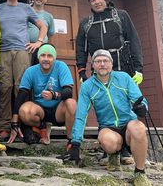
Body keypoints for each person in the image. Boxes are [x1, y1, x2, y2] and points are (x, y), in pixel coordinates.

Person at [75, 0, 143, 164]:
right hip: (100, 67)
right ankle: (109, 148)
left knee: (126, 103)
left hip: (123, 66)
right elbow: (81, 48)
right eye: (93, 0)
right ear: (90, 3)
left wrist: (139, 68)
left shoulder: (121, 15)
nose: (97, 2)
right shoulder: (86, 23)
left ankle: (127, 149)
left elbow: (134, 39)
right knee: (103, 104)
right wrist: (82, 70)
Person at [64, 49, 151, 186]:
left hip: (128, 124)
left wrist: (142, 107)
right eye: (98, 61)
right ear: (93, 65)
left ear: (111, 64)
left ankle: (140, 172)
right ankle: (113, 155)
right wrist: (75, 143)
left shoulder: (124, 78)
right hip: (108, 127)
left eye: (105, 61)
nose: (102, 64)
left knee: (139, 128)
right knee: (107, 141)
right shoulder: (87, 86)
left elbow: (139, 100)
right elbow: (81, 115)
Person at [0, 0, 47, 140]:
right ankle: (4, 127)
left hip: (22, 52)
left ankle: (24, 125)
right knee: (5, 88)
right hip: (3, 51)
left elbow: (42, 26)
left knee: (21, 88)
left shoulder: (25, 8)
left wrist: (38, 42)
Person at [7, 44, 76, 149]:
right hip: (40, 110)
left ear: (54, 58)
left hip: (58, 110)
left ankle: (71, 140)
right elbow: (21, 95)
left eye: (50, 56)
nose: (46, 59)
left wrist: (54, 95)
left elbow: (69, 92)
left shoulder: (61, 66)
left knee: (71, 103)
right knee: (25, 111)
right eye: (43, 55)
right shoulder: (31, 71)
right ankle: (42, 127)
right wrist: (15, 122)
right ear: (39, 57)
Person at [28, 0, 55, 65]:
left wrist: (47, 49)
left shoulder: (49, 16)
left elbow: (50, 35)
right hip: (27, 48)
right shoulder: (26, 11)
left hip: (42, 49)